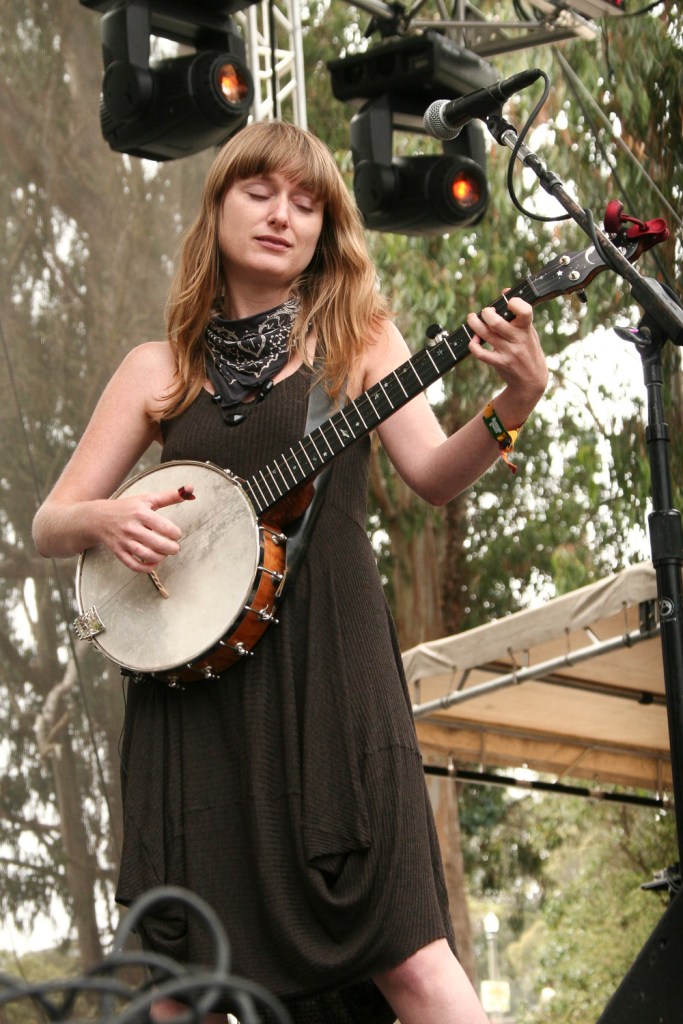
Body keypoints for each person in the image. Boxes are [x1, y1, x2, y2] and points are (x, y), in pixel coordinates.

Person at [32, 120, 547, 1024]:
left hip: (330, 684)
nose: (282, 216)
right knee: (176, 988)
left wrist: (512, 403)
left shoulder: (360, 339)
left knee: (412, 960)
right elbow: (51, 522)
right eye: (260, 193)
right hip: (192, 700)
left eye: (306, 204)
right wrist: (108, 516)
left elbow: (430, 476)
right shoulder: (157, 370)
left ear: (324, 231)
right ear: (218, 207)